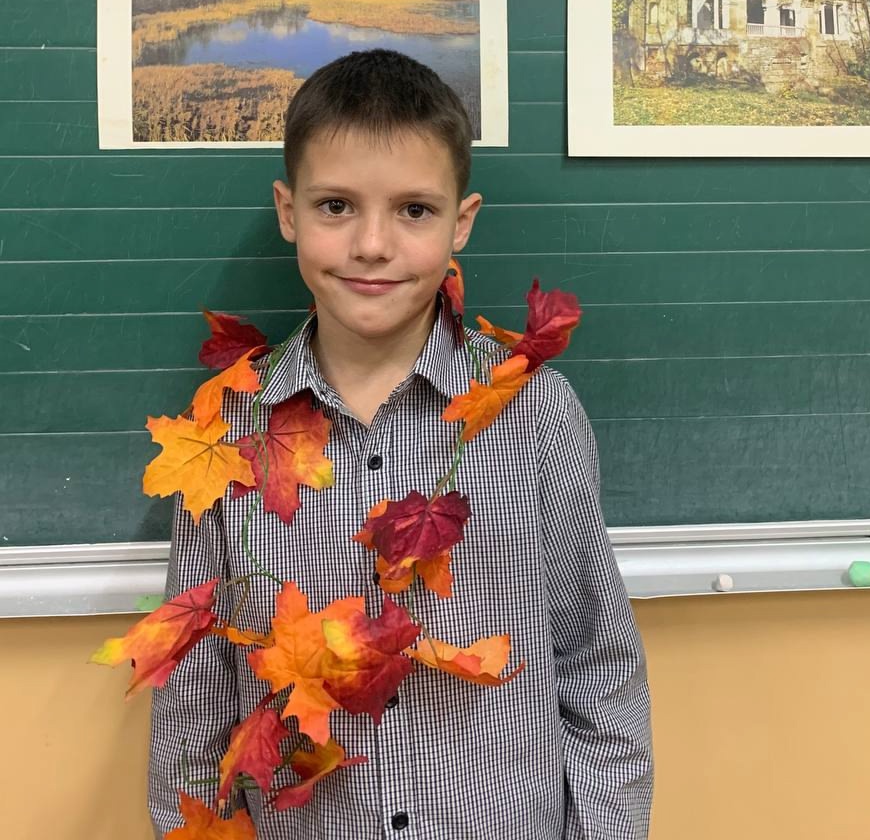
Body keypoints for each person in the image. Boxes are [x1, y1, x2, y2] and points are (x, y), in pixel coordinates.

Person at [148, 48, 653, 839]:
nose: (373, 244)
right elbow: (195, 698)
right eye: (336, 206)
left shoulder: (535, 414)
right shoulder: (227, 431)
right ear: (288, 211)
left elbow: (597, 664)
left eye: (414, 210)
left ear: (462, 221)